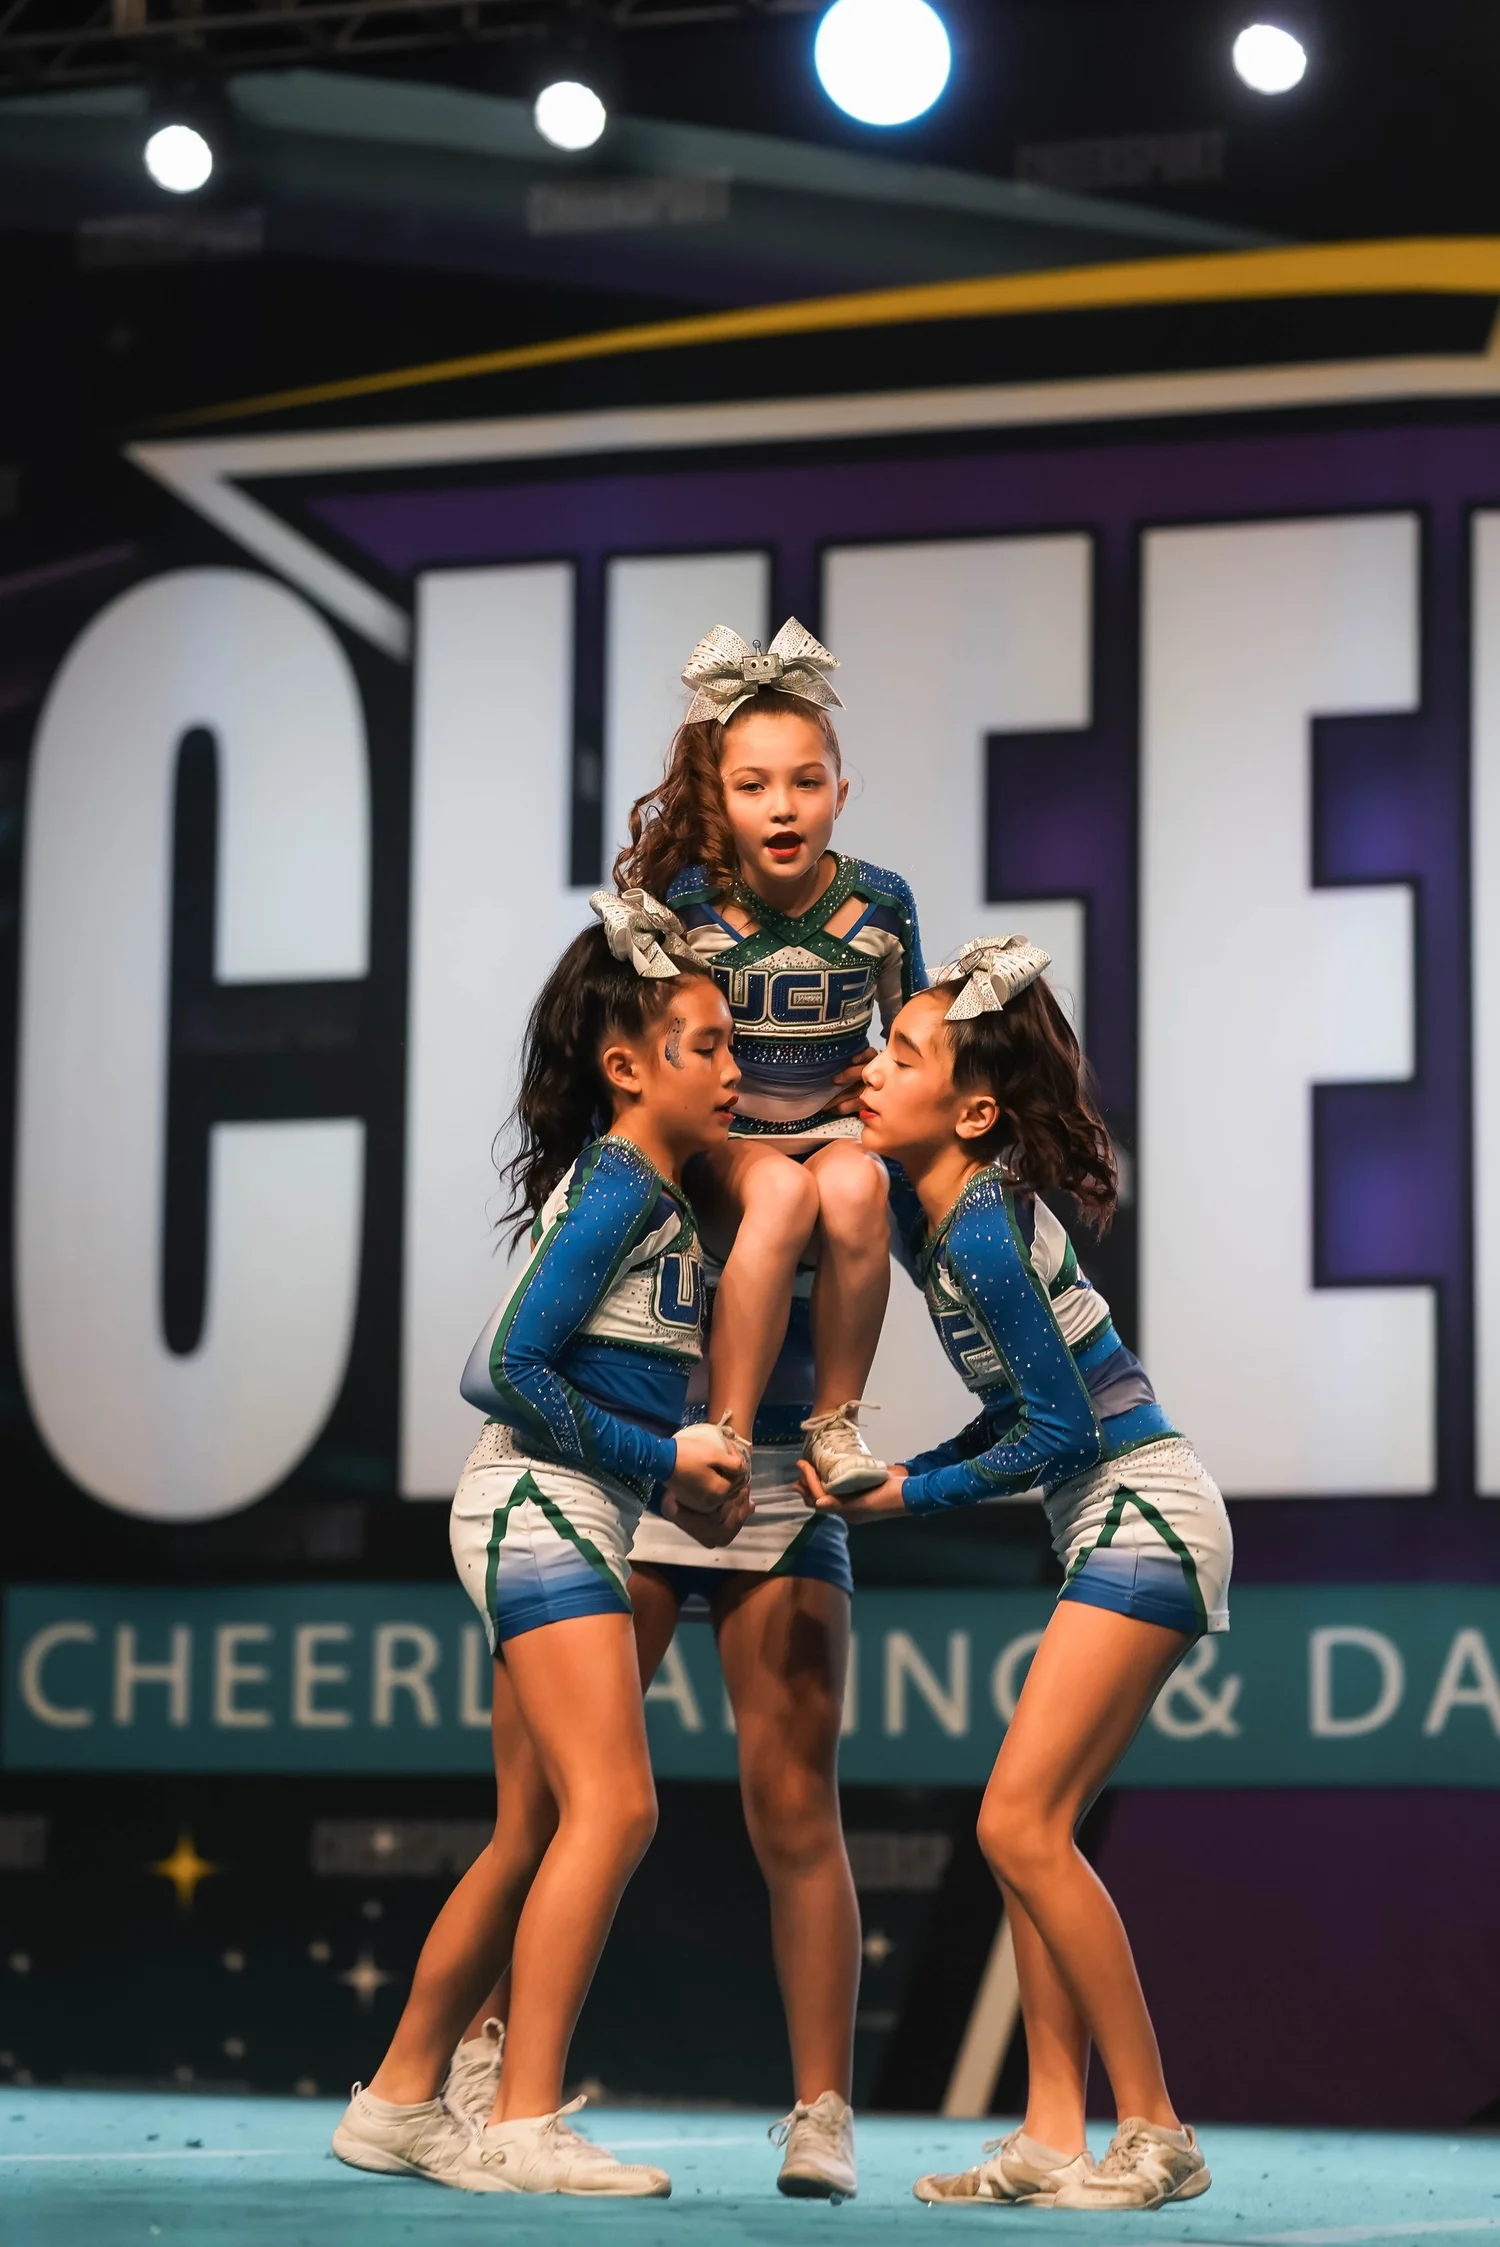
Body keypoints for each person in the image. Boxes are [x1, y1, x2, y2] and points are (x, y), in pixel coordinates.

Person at [803, 935, 1231, 2215]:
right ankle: (1051, 2132)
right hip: (1117, 1516)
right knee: (1028, 1832)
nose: (872, 1070)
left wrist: (906, 1494)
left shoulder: (981, 1229)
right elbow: (1022, 1419)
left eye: (903, 1056)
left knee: (1015, 1824)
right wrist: (905, 1473)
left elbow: (1061, 1432)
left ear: (974, 1113)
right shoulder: (946, 1219)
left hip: (1143, 1513)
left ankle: (1154, 2129)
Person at [332, 895, 747, 2198]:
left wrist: (673, 1473)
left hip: (560, 1506)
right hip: (539, 1505)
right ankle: (519, 2118)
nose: (732, 1067)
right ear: (627, 1065)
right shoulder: (623, 1179)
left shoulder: (649, 1188)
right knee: (614, 1806)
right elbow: (501, 1367)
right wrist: (665, 1462)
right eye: (706, 1045)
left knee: (531, 1828)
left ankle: (399, 2098)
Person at [614, 616, 926, 1499]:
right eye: (753, 786)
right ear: (720, 800)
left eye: (806, 782)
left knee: (856, 1185)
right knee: (783, 1192)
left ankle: (835, 1422)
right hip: (729, 1142)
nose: (783, 806)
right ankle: (730, 1432)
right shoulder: (688, 905)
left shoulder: (882, 902)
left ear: (841, 793)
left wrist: (884, 1071)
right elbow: (659, 1050)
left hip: (835, 1134)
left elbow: (921, 1038)